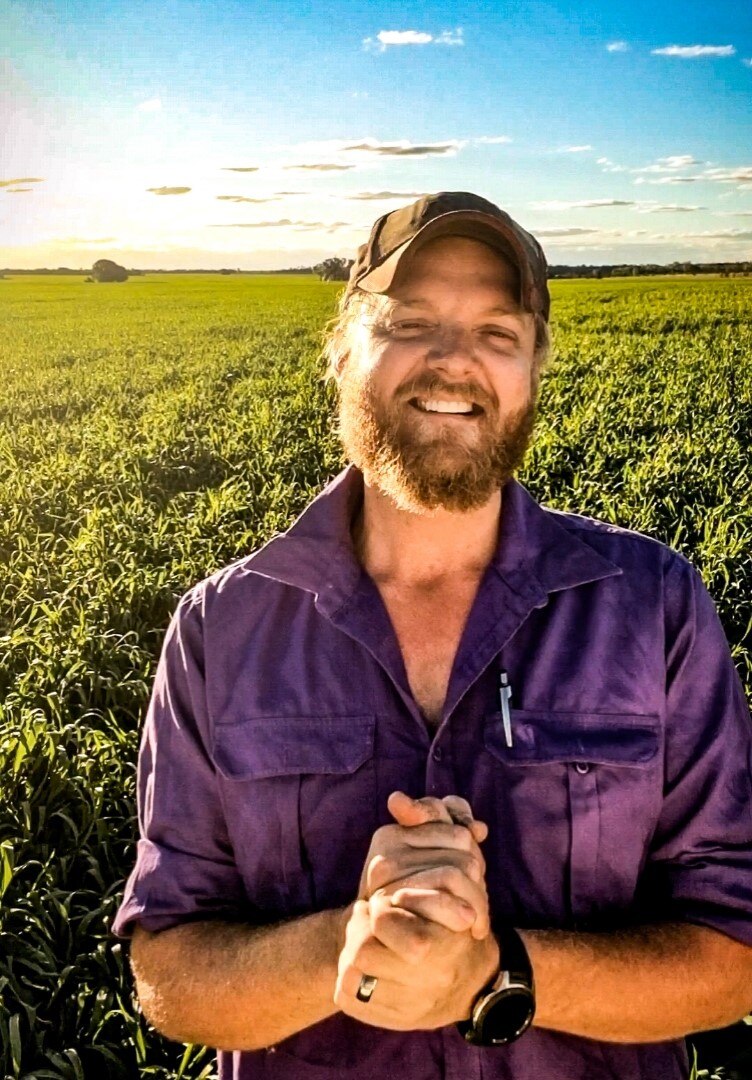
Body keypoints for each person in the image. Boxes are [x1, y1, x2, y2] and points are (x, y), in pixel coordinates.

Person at [112, 192, 752, 1079]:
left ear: (533, 370)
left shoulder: (653, 606)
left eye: (498, 332)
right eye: (411, 323)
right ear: (342, 353)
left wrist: (491, 973)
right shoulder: (223, 628)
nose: (454, 363)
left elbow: (734, 953)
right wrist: (351, 938)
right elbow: (173, 977)